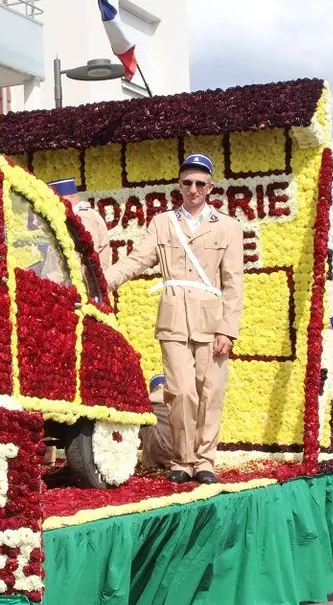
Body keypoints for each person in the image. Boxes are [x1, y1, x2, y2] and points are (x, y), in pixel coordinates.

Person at [105, 154, 244, 485]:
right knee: (180, 392)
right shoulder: (163, 222)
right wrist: (102, 280)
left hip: (212, 321)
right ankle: (183, 460)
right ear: (179, 186)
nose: (193, 189)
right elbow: (138, 260)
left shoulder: (227, 226)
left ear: (210, 187)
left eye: (200, 184)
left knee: (210, 393)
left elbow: (233, 282)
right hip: (173, 319)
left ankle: (205, 460)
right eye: (187, 183)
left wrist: (228, 329)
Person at [40, 178, 112, 284]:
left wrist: (46, 280)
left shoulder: (83, 217)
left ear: (66, 200)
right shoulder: (74, 217)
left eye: (52, 202)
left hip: (86, 288)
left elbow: (83, 262)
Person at [140, 374, 173, 469]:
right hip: (184, 454)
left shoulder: (146, 404)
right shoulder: (178, 400)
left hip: (160, 453)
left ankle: (150, 462)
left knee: (145, 418)